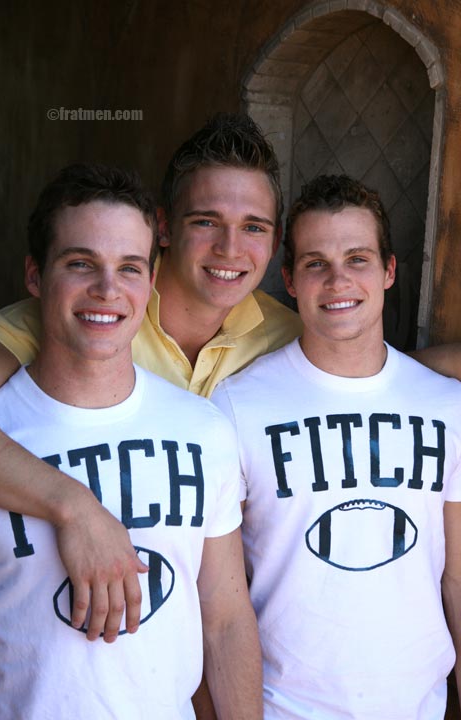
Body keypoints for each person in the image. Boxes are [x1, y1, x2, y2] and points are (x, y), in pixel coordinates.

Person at [0, 113, 303, 641]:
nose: (229, 248)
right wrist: (74, 507)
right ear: (164, 226)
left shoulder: (290, 339)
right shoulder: (88, 317)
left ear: (275, 241)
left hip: (222, 628)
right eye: (206, 221)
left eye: (253, 227)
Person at [211, 175, 461, 719]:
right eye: (316, 263)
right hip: (283, 707)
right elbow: (218, 605)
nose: (337, 280)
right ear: (289, 279)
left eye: (357, 259)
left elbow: (458, 579)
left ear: (389, 271)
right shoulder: (235, 407)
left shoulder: (447, 406)